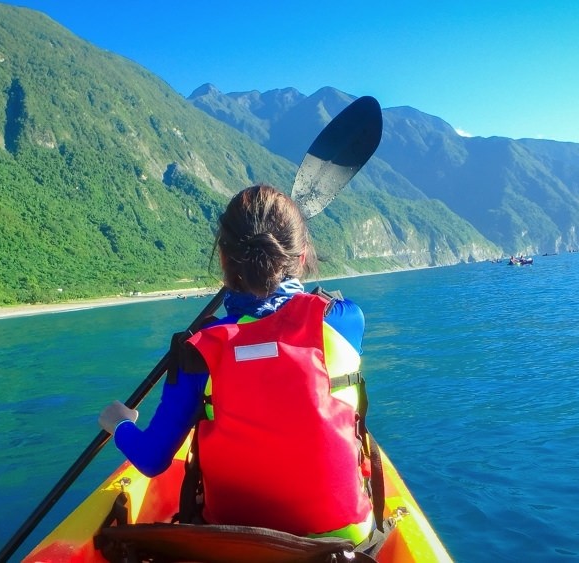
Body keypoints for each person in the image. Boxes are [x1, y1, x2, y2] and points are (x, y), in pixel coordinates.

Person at [98, 184, 374, 544]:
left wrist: (119, 425)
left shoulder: (200, 348)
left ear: (225, 261)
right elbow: (291, 325)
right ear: (302, 257)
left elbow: (152, 459)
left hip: (235, 541)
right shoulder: (344, 319)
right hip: (343, 539)